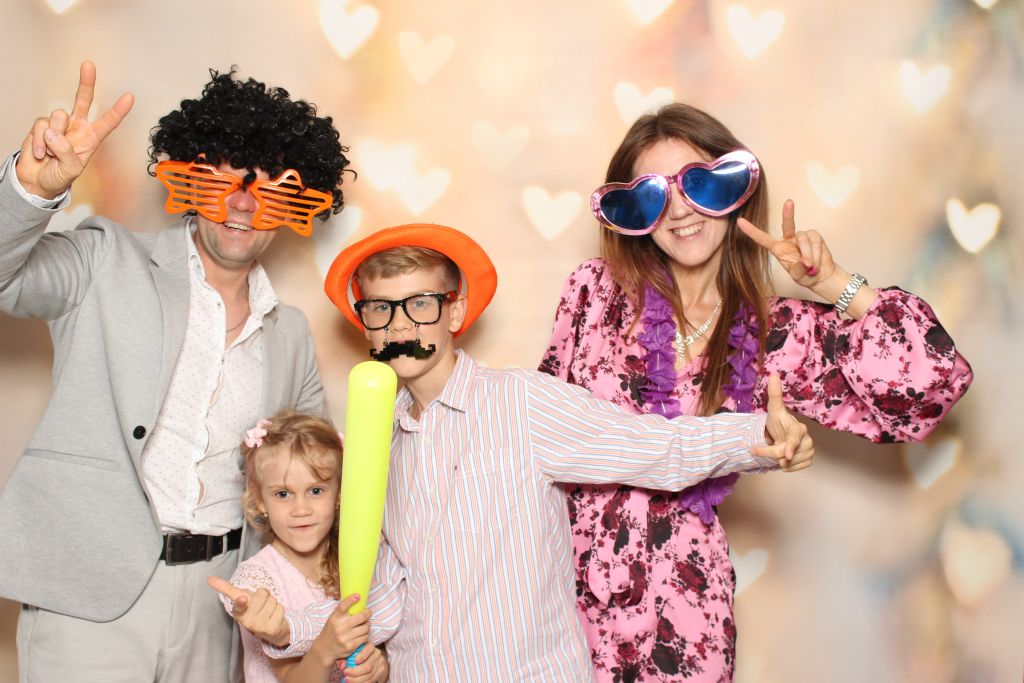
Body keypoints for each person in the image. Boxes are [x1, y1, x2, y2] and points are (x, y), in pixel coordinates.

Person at [256, 222, 811, 681]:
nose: (399, 324)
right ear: (366, 325)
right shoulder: (378, 445)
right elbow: (388, 592)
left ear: (455, 312)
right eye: (380, 309)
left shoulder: (522, 403)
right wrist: (292, 629)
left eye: (419, 304)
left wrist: (758, 435)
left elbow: (653, 447)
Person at [538, 103, 974, 681]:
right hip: (567, 594)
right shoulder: (595, 294)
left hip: (686, 613)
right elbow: (539, 433)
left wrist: (834, 284)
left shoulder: (777, 333)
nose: (680, 211)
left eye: (699, 184)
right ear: (633, 213)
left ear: (734, 191)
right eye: (653, 195)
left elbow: (932, 383)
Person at [0, 62, 349, 682]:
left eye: (270, 187)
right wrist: (30, 191)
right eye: (222, 178)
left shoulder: (291, 333)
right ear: (188, 175)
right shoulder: (104, 257)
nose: (242, 202)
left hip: (222, 607)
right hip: (88, 593)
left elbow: (311, 477)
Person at [207, 411, 388, 683]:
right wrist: (325, 648)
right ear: (260, 501)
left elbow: (377, 640)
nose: (301, 509)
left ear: (340, 494)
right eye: (283, 494)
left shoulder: (357, 561)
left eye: (316, 491)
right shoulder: (258, 582)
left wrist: (378, 666)